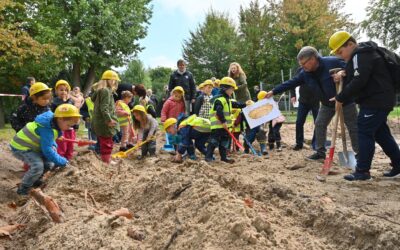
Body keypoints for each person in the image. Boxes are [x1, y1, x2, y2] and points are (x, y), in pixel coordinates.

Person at [265, 46, 359, 161]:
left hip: (345, 101)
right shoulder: (305, 73)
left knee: (353, 127)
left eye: (304, 63)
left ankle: (359, 154)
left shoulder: (332, 62)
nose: (302, 67)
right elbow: (291, 83)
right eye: (301, 64)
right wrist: (273, 91)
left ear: (313, 59)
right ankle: (320, 153)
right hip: (326, 104)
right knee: (319, 124)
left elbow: (354, 71)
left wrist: (343, 72)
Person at [329, 31, 400, 180]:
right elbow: (361, 73)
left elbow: (359, 80)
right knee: (381, 134)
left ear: (350, 44)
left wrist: (340, 97)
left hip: (375, 101)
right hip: (381, 99)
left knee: (364, 131)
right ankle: (398, 164)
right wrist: (344, 73)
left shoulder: (360, 54)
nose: (341, 56)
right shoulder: (365, 53)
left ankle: (362, 171)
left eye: (341, 52)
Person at [10, 104, 80, 195]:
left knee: (49, 164)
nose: (69, 128)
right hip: (21, 147)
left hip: (33, 147)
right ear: (60, 119)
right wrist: (63, 161)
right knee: (38, 166)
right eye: (68, 125)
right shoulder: (46, 128)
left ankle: (35, 180)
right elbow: (47, 150)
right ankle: (24, 188)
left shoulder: (54, 124)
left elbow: (49, 140)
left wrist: (53, 145)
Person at [205, 77, 245, 163]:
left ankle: (224, 158)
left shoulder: (228, 100)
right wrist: (223, 121)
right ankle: (208, 157)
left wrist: (245, 104)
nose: (232, 91)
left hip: (225, 127)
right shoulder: (219, 100)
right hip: (218, 126)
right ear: (225, 89)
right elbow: (218, 111)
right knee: (213, 142)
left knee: (224, 143)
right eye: (231, 89)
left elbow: (236, 104)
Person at [92, 70, 120, 164]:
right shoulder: (106, 91)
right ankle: (106, 160)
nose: (115, 82)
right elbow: (104, 108)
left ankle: (105, 159)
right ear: (108, 80)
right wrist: (109, 120)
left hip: (99, 121)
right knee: (107, 142)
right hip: (104, 122)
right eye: (113, 80)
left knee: (104, 142)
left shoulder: (100, 90)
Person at [289, 69, 320, 150]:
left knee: (318, 123)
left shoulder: (318, 68)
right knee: (299, 122)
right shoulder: (300, 70)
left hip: (316, 101)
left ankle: (315, 144)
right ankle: (299, 143)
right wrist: (293, 95)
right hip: (303, 101)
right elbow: (293, 82)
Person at [51, 80, 76, 160]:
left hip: (70, 128)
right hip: (61, 129)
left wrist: (76, 125)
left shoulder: (71, 101)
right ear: (56, 91)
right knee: (61, 146)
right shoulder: (54, 102)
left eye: (66, 90)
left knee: (70, 145)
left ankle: (68, 160)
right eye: (61, 90)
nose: (64, 92)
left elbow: (74, 113)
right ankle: (60, 160)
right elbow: (53, 115)